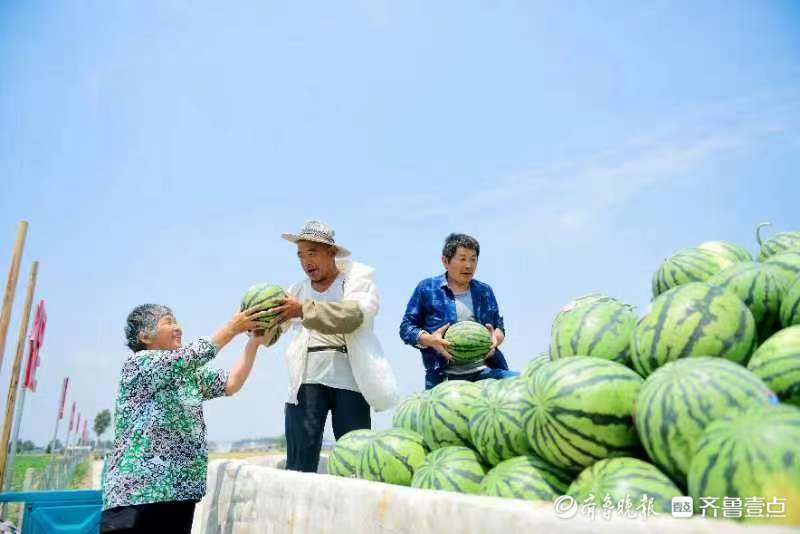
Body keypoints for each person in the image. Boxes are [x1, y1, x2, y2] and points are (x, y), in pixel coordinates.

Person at [100, 303, 275, 533]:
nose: (178, 327)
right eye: (168, 322)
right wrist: (233, 327)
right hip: (137, 496)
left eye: (176, 321)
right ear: (145, 336)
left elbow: (231, 383)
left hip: (179, 493)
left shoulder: (187, 375)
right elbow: (193, 355)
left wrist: (253, 342)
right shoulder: (138, 365)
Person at [271, 220, 398, 473]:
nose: (306, 261)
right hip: (307, 379)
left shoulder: (357, 282)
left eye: (312, 253)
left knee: (356, 459)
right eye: (300, 255)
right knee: (300, 462)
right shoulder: (297, 290)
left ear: (332, 253)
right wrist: (259, 323)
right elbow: (273, 332)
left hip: (349, 379)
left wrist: (302, 309)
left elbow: (352, 316)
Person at [399, 233, 518, 390]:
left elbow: (499, 327)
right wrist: (431, 340)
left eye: (473, 259)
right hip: (444, 378)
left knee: (526, 385)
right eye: (462, 259)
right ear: (445, 261)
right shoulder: (427, 289)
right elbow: (406, 328)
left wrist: (495, 339)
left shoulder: (484, 291)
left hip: (486, 371)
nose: (468, 265)